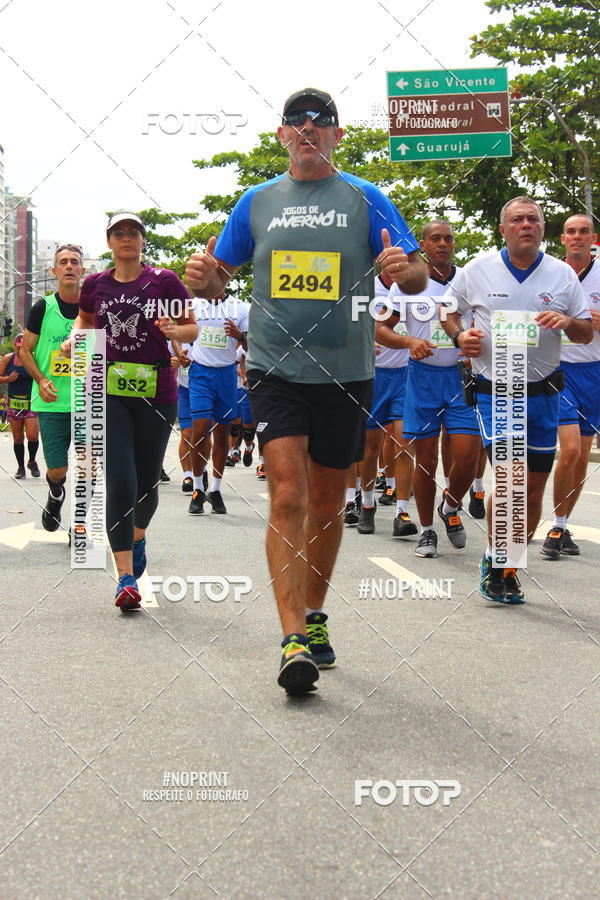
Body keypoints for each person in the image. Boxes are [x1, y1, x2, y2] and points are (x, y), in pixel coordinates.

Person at [185, 87, 426, 694]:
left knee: (326, 503)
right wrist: (205, 277)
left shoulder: (367, 198)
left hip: (346, 372)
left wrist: (404, 270)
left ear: (337, 135)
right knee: (287, 493)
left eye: (321, 122)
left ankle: (314, 614)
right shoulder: (256, 201)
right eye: (297, 121)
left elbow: (418, 273)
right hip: (275, 369)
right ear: (282, 135)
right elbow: (219, 282)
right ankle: (292, 636)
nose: (309, 129)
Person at [442, 197, 592, 603]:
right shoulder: (478, 269)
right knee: (511, 480)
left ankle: (506, 563)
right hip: (497, 391)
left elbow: (584, 333)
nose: (526, 225)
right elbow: (447, 311)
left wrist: (567, 321)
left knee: (533, 489)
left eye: (533, 219)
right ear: (503, 229)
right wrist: (460, 335)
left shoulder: (562, 274)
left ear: (543, 228)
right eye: (517, 220)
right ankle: (499, 563)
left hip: (545, 394)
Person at [64, 212, 197, 609]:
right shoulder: (95, 284)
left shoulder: (164, 280)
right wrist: (74, 340)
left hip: (157, 391)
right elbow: (84, 321)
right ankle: (124, 577)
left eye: (133, 233)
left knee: (146, 486)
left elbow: (192, 327)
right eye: (119, 233)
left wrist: (174, 331)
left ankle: (138, 537)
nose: (126, 238)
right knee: (120, 481)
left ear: (142, 241)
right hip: (109, 390)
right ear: (109, 242)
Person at [381, 220, 480, 558]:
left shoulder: (469, 279)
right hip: (422, 378)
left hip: (461, 377)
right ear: (423, 245)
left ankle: (450, 506)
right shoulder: (407, 284)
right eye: (435, 238)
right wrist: (409, 341)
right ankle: (426, 531)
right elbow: (380, 329)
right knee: (425, 460)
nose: (442, 243)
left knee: (468, 455)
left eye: (448, 238)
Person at [542, 214, 600, 558]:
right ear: (563, 239)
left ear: (593, 238)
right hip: (559, 370)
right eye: (571, 232)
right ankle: (554, 527)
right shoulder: (551, 273)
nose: (577, 236)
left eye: (584, 231)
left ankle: (561, 525)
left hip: (594, 372)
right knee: (572, 450)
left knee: (579, 460)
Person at [20, 244, 84, 532]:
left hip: (89, 403)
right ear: (54, 270)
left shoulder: (93, 308)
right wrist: (41, 379)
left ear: (82, 270)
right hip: (52, 402)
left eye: (74, 262)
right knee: (58, 470)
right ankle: (56, 493)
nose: (69, 266)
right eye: (64, 262)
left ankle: (79, 526)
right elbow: (25, 350)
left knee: (88, 468)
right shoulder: (42, 308)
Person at [354, 271, 418, 539]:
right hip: (374, 376)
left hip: (406, 375)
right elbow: (347, 326)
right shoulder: (364, 288)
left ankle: (402, 512)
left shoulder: (416, 289)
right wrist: (361, 342)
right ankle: (367, 504)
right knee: (370, 448)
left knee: (405, 444)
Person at [186, 291, 249, 515]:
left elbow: (250, 348)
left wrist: (240, 336)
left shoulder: (241, 307)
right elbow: (180, 335)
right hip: (200, 373)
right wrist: (180, 354)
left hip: (226, 375)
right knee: (200, 430)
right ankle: (197, 488)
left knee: (222, 435)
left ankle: (215, 489)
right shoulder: (192, 305)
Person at [0, 334, 40, 478]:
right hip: (14, 402)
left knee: (33, 435)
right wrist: (8, 378)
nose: (21, 350)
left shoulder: (35, 358)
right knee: (18, 438)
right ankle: (21, 467)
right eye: (18, 347)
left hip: (31, 402)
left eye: (24, 347)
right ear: (14, 345)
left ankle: (32, 461)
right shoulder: (8, 359)